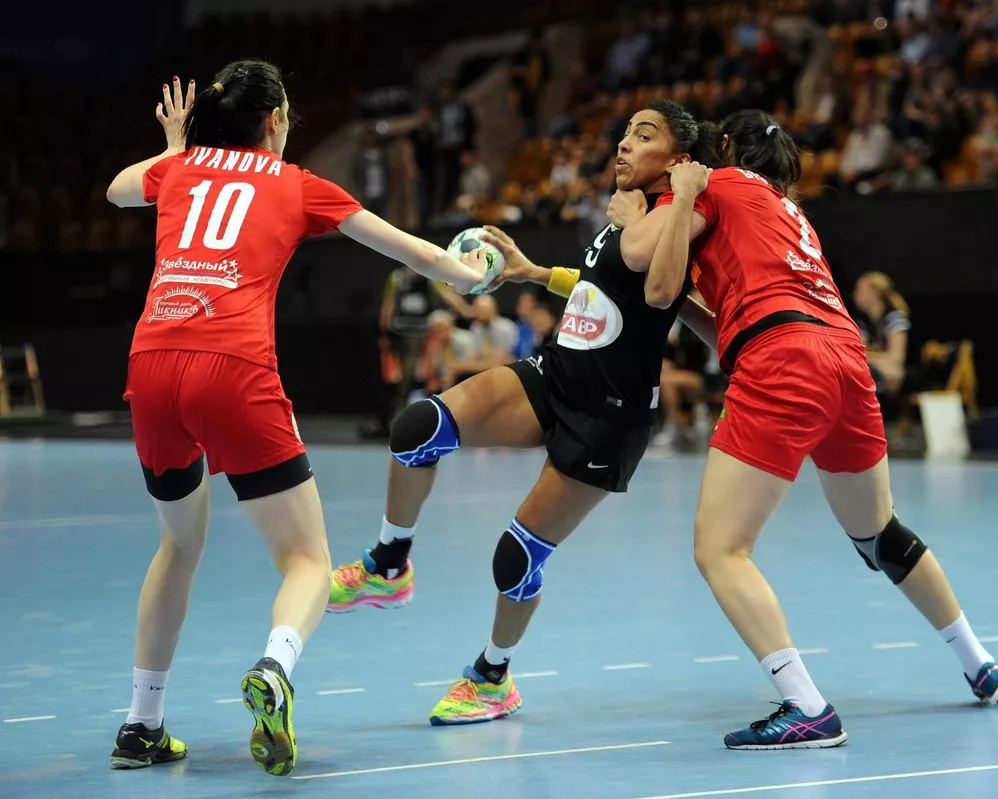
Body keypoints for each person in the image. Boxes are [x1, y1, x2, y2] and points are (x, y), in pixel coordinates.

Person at [104, 62, 493, 776]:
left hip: (151, 364)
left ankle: (141, 724)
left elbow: (117, 189)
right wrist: (476, 271)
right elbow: (415, 252)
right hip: (232, 370)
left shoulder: (179, 169)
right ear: (275, 120)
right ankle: (276, 667)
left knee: (177, 546)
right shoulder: (297, 183)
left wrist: (172, 146)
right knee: (307, 559)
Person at [619, 109, 998, 750]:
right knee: (879, 534)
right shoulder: (786, 211)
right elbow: (726, 324)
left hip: (783, 359)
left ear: (723, 148)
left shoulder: (715, 184)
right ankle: (981, 663)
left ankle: (806, 707)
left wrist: (641, 211)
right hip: (844, 360)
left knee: (720, 550)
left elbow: (646, 266)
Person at [325, 100, 709, 726]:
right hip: (556, 373)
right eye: (624, 134)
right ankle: (388, 565)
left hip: (606, 417)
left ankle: (491, 677)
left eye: (643, 136)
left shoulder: (671, 216)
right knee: (418, 429)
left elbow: (657, 288)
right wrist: (534, 273)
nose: (623, 145)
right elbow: (602, 284)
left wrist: (659, 208)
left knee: (517, 557)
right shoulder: (629, 212)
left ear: (678, 160)